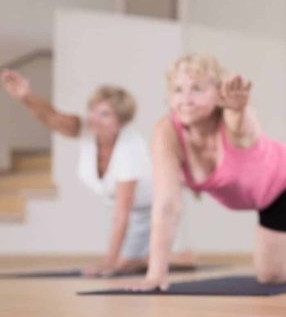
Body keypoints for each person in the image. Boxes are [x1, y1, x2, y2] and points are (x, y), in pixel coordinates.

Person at [130, 54, 286, 291]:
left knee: (271, 274)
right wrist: (156, 274)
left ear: (219, 94)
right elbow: (167, 205)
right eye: (178, 90)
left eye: (197, 89)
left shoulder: (233, 119)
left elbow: (242, 128)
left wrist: (240, 109)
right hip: (250, 192)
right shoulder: (166, 132)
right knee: (269, 273)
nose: (185, 99)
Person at [0, 69, 165, 276]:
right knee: (125, 261)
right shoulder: (86, 128)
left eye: (105, 114)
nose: (94, 119)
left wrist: (108, 263)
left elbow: (122, 213)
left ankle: (177, 257)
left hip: (151, 208)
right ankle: (152, 256)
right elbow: (52, 118)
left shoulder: (131, 148)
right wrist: (26, 97)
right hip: (121, 206)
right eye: (93, 111)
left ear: (121, 122)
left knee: (123, 264)